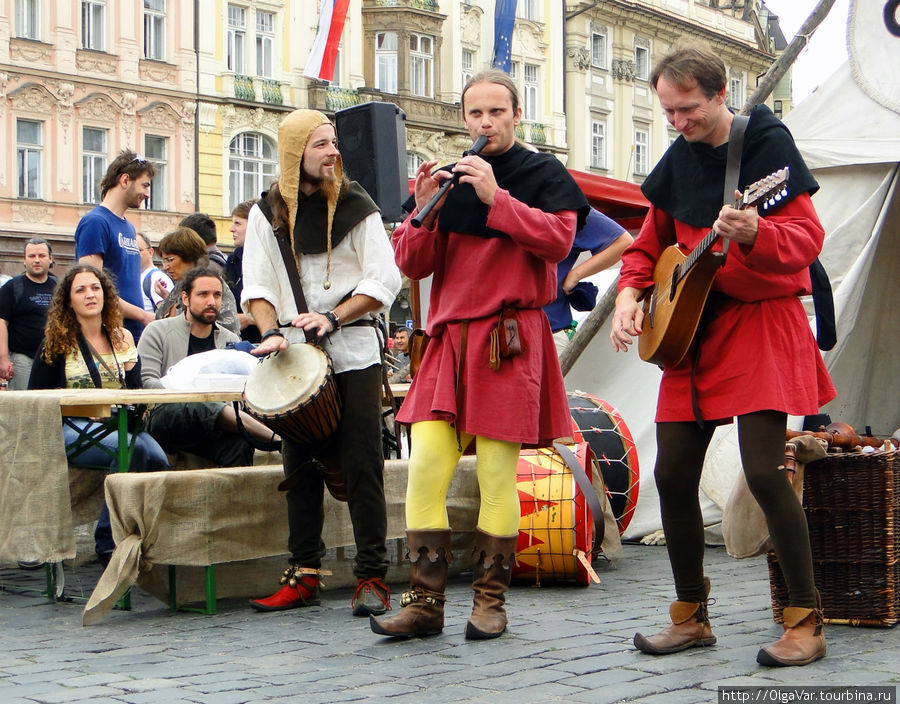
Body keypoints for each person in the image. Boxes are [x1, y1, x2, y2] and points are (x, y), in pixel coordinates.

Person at [609, 42, 835, 668]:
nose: (678, 123)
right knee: (673, 474)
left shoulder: (764, 147)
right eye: (668, 112)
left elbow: (808, 239)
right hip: (690, 334)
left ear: (719, 95)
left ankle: (805, 619)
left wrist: (758, 231)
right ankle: (689, 615)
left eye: (688, 110)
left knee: (764, 472)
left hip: (759, 323)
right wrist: (630, 294)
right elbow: (646, 246)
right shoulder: (676, 161)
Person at [370, 69, 589, 640]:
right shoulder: (448, 180)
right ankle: (425, 605)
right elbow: (412, 265)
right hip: (448, 342)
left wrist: (497, 198)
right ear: (464, 118)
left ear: (517, 114)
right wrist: (422, 211)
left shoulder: (544, 173)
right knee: (426, 473)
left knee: (496, 474)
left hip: (505, 339)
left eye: (496, 112)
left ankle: (489, 603)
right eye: (475, 114)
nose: (485, 123)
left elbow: (559, 243)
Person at [242, 108, 401, 617]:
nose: (333, 152)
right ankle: (303, 573)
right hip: (294, 356)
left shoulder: (358, 206)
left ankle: (372, 576)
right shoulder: (268, 213)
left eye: (334, 143)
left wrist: (333, 318)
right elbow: (259, 285)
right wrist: (270, 332)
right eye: (320, 145)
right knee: (300, 469)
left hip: (353, 350)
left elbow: (384, 281)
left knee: (362, 466)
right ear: (295, 156)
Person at [28, 264, 169, 565]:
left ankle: (143, 537)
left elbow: (134, 390)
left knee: (159, 459)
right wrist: (83, 408)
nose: (90, 295)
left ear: (106, 294)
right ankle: (108, 542)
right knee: (131, 450)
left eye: (95, 288)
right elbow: (35, 401)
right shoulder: (56, 342)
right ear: (68, 300)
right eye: (80, 290)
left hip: (118, 424)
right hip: (70, 427)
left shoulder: (124, 339)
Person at [138, 266, 273, 467]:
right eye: (203, 294)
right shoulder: (157, 331)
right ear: (185, 299)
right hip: (164, 415)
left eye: (217, 295)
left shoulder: (230, 339)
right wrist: (186, 395)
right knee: (201, 400)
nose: (212, 301)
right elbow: (146, 382)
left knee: (240, 443)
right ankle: (275, 439)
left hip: (213, 422)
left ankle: (235, 497)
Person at [74, 150, 156, 341]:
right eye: (144, 185)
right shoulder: (96, 222)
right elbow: (91, 288)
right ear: (125, 180)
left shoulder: (128, 226)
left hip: (131, 334)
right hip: (107, 335)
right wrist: (143, 316)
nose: (147, 194)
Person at [544, 209, 632, 355]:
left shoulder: (560, 203)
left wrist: (575, 275)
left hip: (548, 333)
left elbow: (622, 242)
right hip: (500, 333)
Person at [153, 227, 240, 335]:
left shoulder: (212, 284)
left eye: (170, 260)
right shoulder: (180, 286)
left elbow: (228, 332)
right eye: (164, 261)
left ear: (189, 256)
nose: (166, 267)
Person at [0, 237, 57, 389]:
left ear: (50, 258)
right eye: (32, 256)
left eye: (41, 256)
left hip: (53, 359)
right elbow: (1, 323)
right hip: (23, 360)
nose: (37, 260)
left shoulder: (59, 287)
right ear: (24, 260)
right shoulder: (12, 287)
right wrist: (3, 359)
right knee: (25, 407)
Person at [224, 200, 260, 342]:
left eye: (238, 223)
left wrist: (250, 319)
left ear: (254, 225)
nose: (231, 229)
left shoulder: (274, 258)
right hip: (239, 341)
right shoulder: (233, 259)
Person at [137, 232, 173, 313]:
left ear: (150, 252)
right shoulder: (135, 277)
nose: (134, 254)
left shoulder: (156, 278)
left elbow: (166, 316)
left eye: (138, 250)